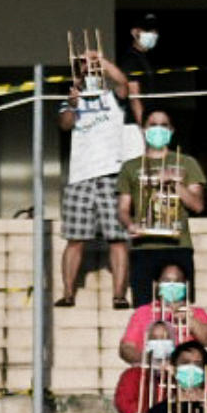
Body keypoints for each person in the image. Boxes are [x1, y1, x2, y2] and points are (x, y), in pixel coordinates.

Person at [56, 46, 142, 308]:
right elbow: (65, 124)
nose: (89, 72)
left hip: (111, 173)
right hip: (80, 176)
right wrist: (74, 99)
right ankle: (68, 293)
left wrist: (100, 60)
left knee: (117, 238)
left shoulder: (112, 97)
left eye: (92, 70)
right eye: (85, 69)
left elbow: (124, 83)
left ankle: (119, 294)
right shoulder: (72, 98)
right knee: (75, 238)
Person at [120, 107, 205, 304]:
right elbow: (123, 209)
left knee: (179, 309)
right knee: (143, 308)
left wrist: (174, 183)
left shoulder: (187, 163)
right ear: (143, 129)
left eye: (163, 125)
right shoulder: (130, 167)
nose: (158, 129)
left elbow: (198, 205)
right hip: (143, 247)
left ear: (171, 130)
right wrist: (130, 225)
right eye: (153, 125)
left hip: (178, 245)